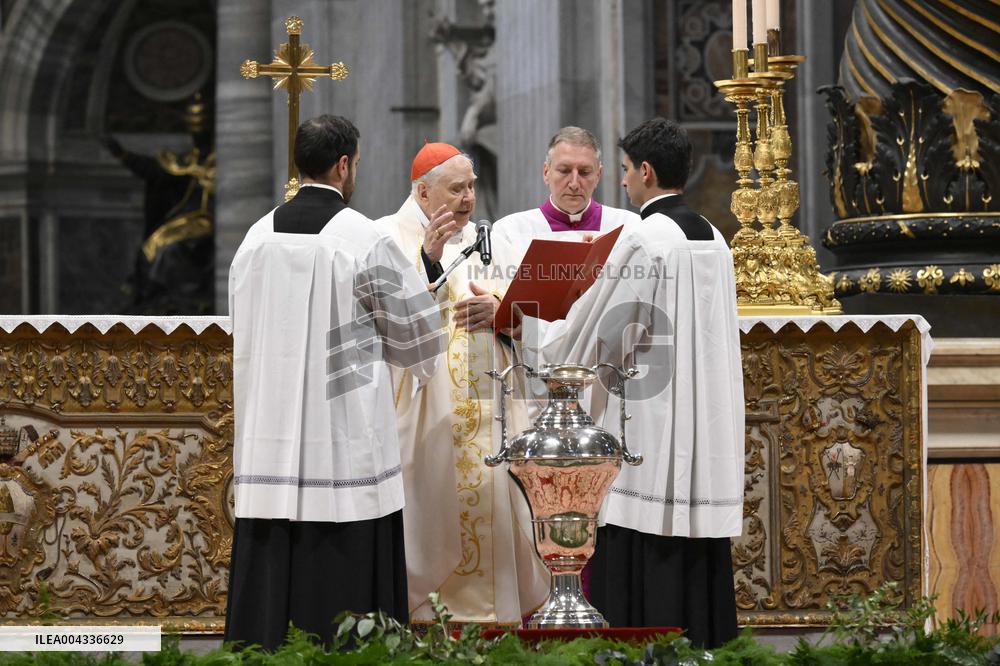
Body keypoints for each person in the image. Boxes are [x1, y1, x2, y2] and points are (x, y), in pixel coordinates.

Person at [518, 118, 744, 648]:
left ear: (645, 171)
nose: (621, 182)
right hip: (706, 419)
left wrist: (530, 326)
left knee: (646, 533)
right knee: (698, 544)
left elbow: (600, 333)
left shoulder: (644, 239)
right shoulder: (715, 238)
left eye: (622, 171)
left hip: (651, 421)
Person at [225, 115, 445, 650]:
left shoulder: (254, 239)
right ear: (344, 164)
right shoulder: (361, 237)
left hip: (268, 441)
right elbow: (417, 334)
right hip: (343, 441)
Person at [375, 142, 547, 625]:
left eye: (471, 186)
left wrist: (504, 313)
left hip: (489, 408)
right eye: (457, 188)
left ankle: (497, 619)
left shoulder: (488, 240)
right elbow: (384, 319)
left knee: (492, 498)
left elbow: (527, 310)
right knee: (428, 508)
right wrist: (427, 260)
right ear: (423, 193)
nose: (469, 197)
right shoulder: (386, 237)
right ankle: (424, 617)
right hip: (424, 410)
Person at [492, 126, 639, 263]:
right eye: (564, 170)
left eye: (584, 172)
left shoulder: (629, 227)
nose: (574, 184)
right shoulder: (510, 231)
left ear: (598, 175)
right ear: (546, 172)